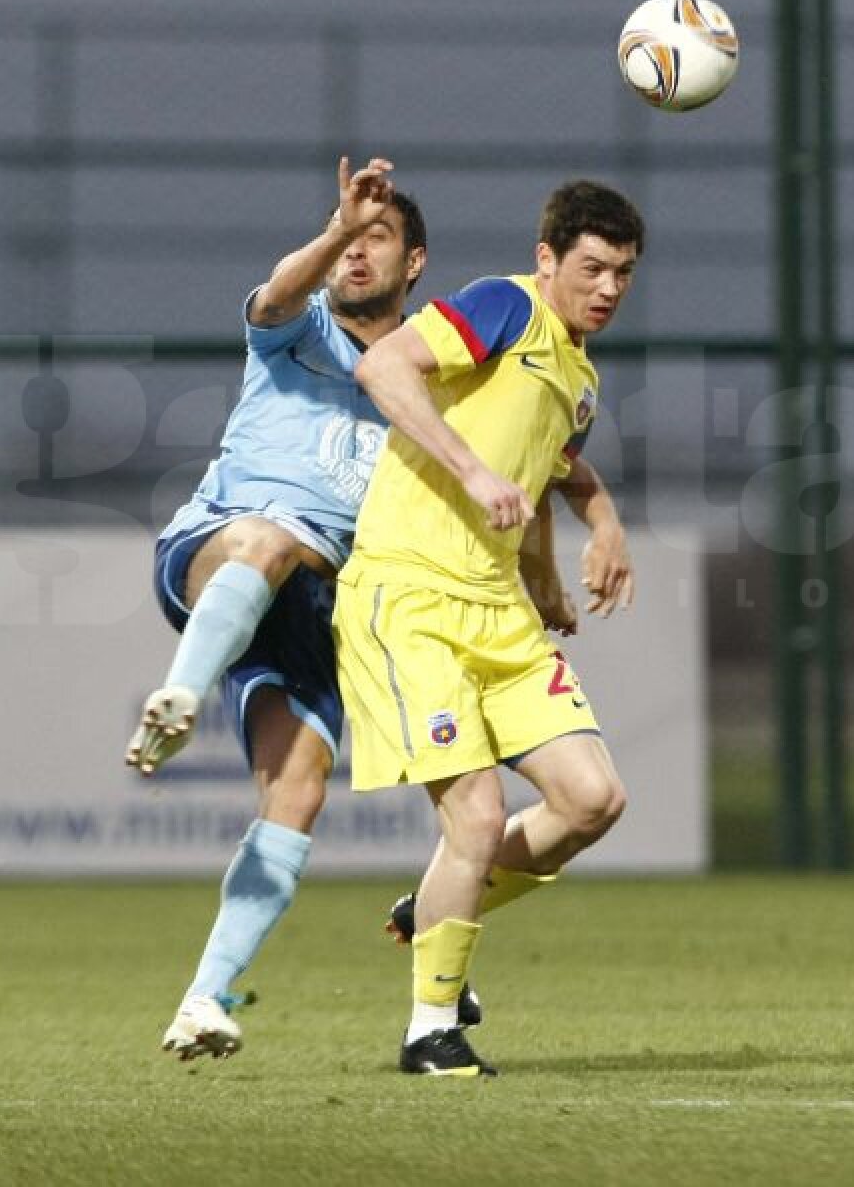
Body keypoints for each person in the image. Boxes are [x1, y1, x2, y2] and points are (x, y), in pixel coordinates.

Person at [333, 178, 643, 1077]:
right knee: (476, 815)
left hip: (498, 610)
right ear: (548, 260)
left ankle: (435, 905)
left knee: (592, 800)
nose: (609, 287)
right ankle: (429, 1028)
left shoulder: (578, 374)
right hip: (410, 596)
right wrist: (469, 471)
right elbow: (382, 367)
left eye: (623, 272)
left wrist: (587, 543)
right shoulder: (503, 306)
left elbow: (555, 469)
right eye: (592, 267)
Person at [124, 156, 427, 1062]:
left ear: (415, 263)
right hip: (219, 548)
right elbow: (277, 293)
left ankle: (204, 1000)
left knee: (296, 793)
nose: (357, 253)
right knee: (270, 533)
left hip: (312, 608)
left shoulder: (425, 381)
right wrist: (337, 225)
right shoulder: (297, 331)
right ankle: (178, 695)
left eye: (379, 238)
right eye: (348, 240)